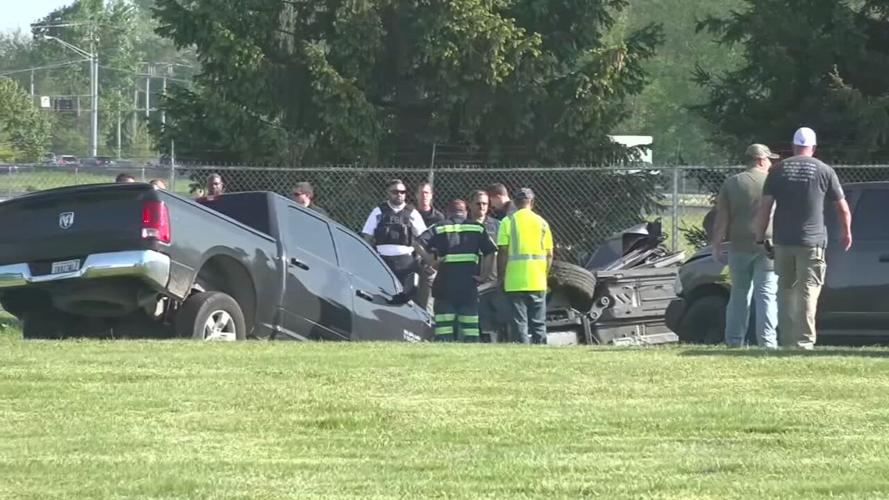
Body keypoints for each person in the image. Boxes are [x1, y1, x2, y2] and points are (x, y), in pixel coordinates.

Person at [754, 127, 852, 350]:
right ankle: (804, 342)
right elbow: (843, 208)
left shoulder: (777, 170)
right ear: (814, 148)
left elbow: (765, 208)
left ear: (792, 147)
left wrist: (760, 238)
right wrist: (847, 232)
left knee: (786, 290)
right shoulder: (825, 171)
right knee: (809, 290)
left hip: (783, 241)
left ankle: (787, 340)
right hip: (813, 242)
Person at [712, 144, 780, 348]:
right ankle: (768, 342)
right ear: (761, 160)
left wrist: (716, 245)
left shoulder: (732, 183)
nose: (770, 163)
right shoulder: (772, 181)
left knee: (739, 294)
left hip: (739, 246)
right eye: (769, 159)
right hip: (768, 245)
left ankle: (734, 341)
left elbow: (722, 217)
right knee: (766, 293)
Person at [419, 199, 497, 342]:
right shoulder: (477, 228)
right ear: (466, 212)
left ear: (447, 212)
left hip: (444, 285)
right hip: (468, 285)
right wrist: (485, 275)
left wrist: (430, 261)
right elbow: (491, 251)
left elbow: (417, 242)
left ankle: (444, 353)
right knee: (471, 330)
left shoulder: (439, 227)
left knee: (444, 330)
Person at [496, 188, 553, 344]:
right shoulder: (542, 223)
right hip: (537, 280)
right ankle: (541, 352)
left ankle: (523, 352)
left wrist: (501, 277)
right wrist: (544, 274)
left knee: (519, 324)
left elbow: (502, 251)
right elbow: (549, 255)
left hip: (514, 281)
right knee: (539, 323)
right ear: (532, 203)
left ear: (514, 202)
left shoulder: (508, 222)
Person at [361, 179, 427, 295]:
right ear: (388, 192)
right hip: (383, 262)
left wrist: (421, 259)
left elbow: (424, 238)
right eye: (395, 192)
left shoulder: (412, 212)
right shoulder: (378, 211)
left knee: (407, 297)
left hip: (406, 263)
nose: (399, 195)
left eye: (403, 192)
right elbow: (367, 236)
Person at [470, 190, 509, 343]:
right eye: (478, 204)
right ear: (470, 205)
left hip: (491, 280)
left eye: (485, 204)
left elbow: (503, 251)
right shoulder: (464, 225)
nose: (481, 207)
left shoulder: (497, 226)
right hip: (471, 277)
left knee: (493, 318)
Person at [414, 181, 445, 313]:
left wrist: (433, 263)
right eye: (421, 193)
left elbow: (441, 243)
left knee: (427, 303)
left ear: (431, 195)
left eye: (426, 193)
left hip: (429, 263)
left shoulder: (439, 218)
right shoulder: (410, 214)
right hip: (410, 260)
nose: (424, 196)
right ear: (416, 195)